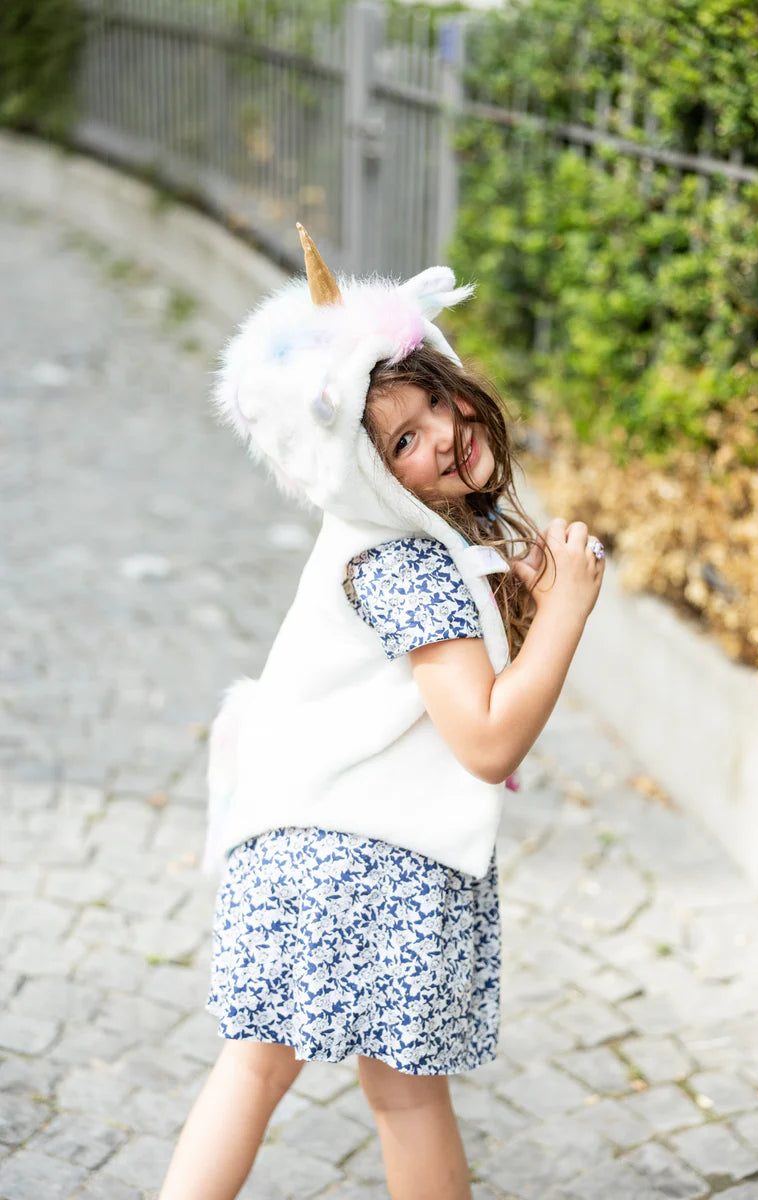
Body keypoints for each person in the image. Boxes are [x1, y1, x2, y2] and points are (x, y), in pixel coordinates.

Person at [159, 226, 604, 1200]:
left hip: (290, 849)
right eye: (400, 440)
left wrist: (523, 607)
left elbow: (443, 694)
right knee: (400, 1097)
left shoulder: (386, 543)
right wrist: (564, 609)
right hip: (372, 867)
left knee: (257, 1069)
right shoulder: (406, 564)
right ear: (363, 470)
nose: (441, 432)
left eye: (433, 401)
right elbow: (484, 740)